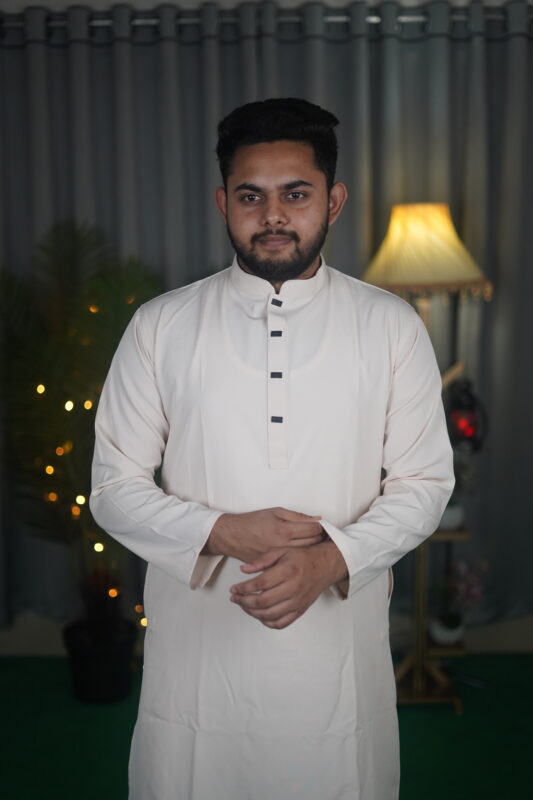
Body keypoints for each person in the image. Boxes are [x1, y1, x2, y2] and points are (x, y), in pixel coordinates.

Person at [90, 97, 454, 800]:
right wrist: (220, 530)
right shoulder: (160, 325)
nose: (273, 216)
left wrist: (330, 560)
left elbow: (423, 484)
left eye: (296, 194)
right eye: (251, 196)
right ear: (223, 202)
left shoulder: (390, 325)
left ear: (333, 201)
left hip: (335, 641)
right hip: (201, 642)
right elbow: (112, 488)